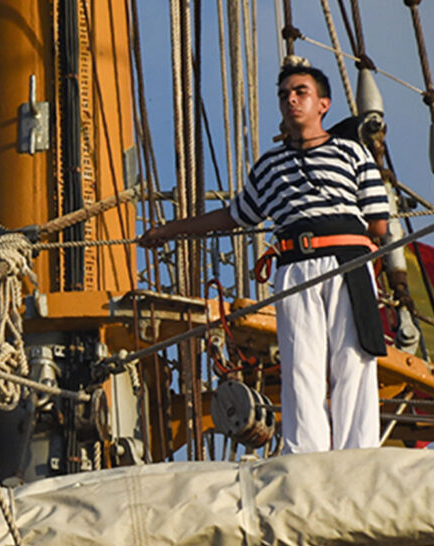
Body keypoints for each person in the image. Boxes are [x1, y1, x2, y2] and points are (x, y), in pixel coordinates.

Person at [140, 63, 389, 454]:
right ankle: (305, 454)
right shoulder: (270, 166)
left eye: (301, 92)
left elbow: (377, 223)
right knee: (300, 363)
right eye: (285, 93)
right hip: (294, 266)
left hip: (346, 263)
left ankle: (359, 454)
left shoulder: (352, 152)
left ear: (323, 104)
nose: (291, 99)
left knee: (353, 359)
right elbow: (234, 215)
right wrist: (169, 230)